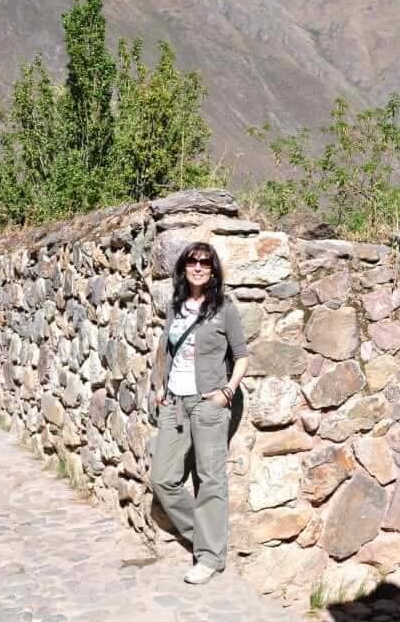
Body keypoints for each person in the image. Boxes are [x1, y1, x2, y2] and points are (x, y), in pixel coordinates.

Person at [150, 242, 248, 585]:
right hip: (174, 404)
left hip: (208, 404)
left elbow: (242, 356)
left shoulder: (224, 308)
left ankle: (210, 557)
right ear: (183, 267)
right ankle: (207, 537)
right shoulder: (175, 306)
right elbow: (165, 348)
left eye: (205, 263)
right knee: (162, 478)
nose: (198, 267)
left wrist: (227, 392)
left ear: (213, 270)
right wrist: (159, 384)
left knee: (210, 479)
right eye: (192, 261)